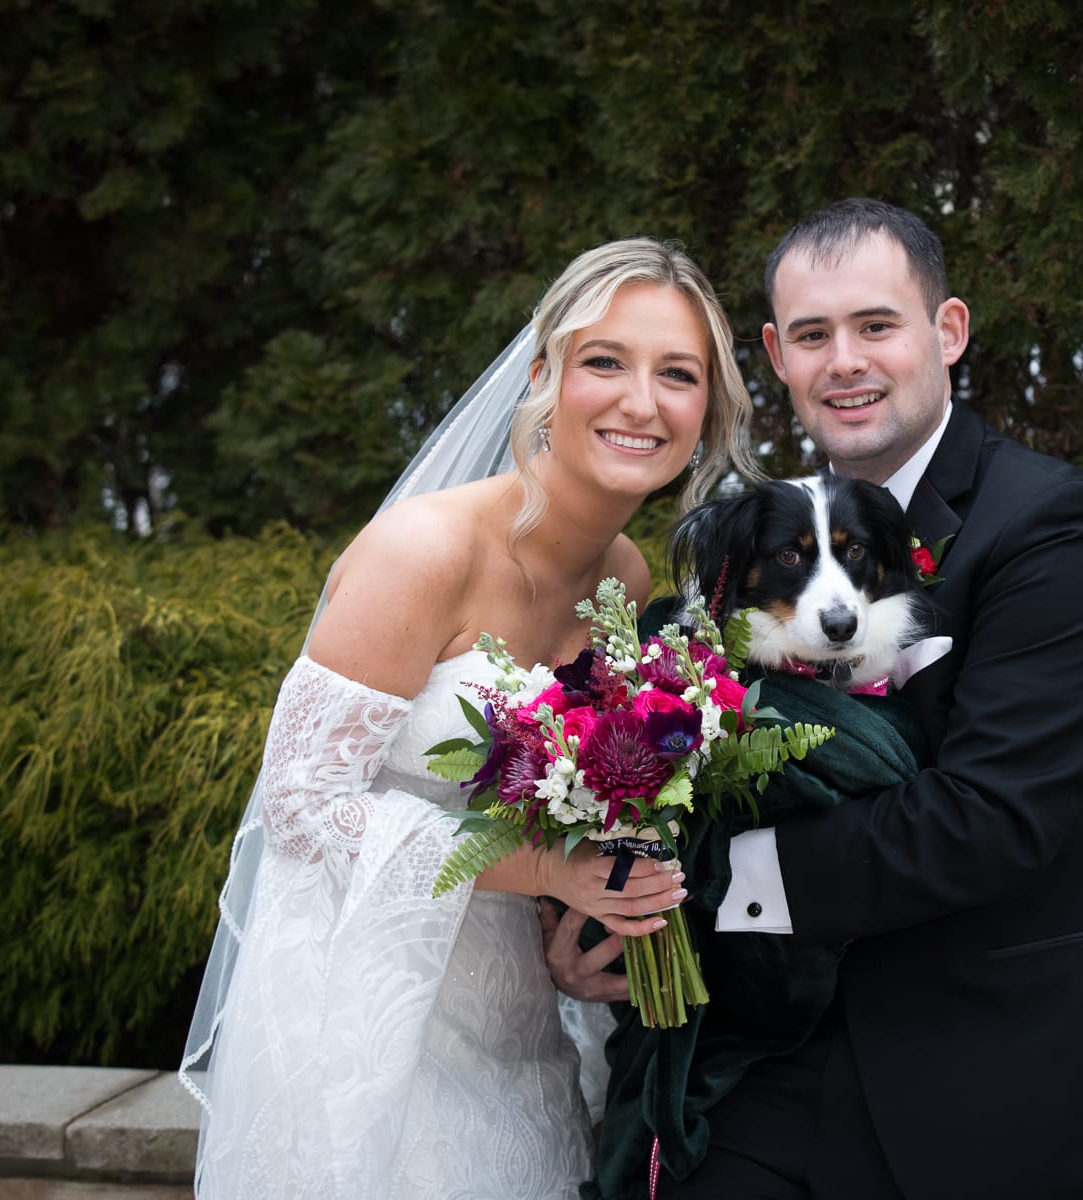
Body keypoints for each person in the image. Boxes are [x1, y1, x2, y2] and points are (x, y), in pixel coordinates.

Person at [179, 237, 763, 1198]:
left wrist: (570, 926)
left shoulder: (625, 579)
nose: (641, 401)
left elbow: (552, 798)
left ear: (708, 411)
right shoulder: (424, 551)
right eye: (605, 361)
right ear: (543, 376)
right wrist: (545, 869)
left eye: (679, 375)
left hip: (514, 1009)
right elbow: (298, 804)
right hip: (361, 1007)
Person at [662, 200, 1083, 1198]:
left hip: (1004, 1079)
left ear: (946, 332)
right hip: (772, 1079)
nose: (846, 362)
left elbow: (990, 818)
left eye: (877, 325)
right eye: (815, 336)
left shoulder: (1050, 526)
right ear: (778, 356)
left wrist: (702, 878)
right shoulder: (755, 556)